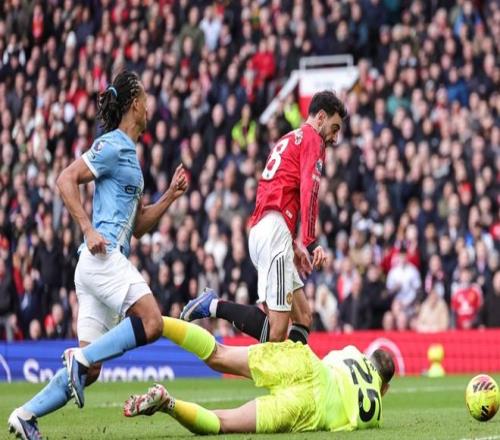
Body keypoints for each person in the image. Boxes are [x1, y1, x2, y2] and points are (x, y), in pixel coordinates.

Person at [8, 70, 188, 439]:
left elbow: (138, 226)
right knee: (151, 322)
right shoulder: (112, 146)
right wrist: (88, 229)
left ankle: (25, 414)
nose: (150, 106)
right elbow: (65, 178)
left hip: (99, 266)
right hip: (102, 258)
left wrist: (170, 195)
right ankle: (79, 358)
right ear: (135, 104)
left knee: (90, 372)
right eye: (146, 99)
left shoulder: (131, 157)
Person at [181, 90, 347, 343]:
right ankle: (212, 305)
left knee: (303, 317)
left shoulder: (288, 139)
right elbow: (309, 191)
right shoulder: (313, 139)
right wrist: (311, 242)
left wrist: (293, 243)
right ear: (321, 117)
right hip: (273, 235)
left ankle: (291, 371)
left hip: (265, 229)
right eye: (334, 128)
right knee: (277, 332)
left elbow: (275, 194)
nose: (335, 137)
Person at [124, 317, 394, 434]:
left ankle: (159, 322)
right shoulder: (376, 411)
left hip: (307, 364)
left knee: (219, 354)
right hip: (309, 408)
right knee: (223, 422)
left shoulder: (352, 352)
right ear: (385, 389)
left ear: (368, 358)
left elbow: (329, 362)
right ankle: (168, 403)